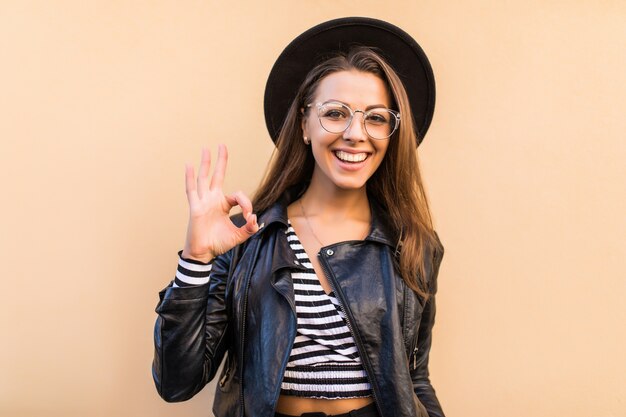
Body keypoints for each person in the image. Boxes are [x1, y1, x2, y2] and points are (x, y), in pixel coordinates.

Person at [153, 17, 445, 417]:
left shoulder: (413, 244)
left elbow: (414, 378)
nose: (356, 133)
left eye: (375, 117)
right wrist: (196, 260)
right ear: (305, 123)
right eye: (336, 113)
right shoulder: (245, 241)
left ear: (392, 135)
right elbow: (176, 383)